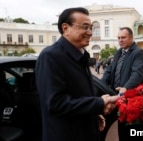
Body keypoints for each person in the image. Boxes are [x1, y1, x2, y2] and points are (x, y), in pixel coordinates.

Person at [35, 7, 119, 141]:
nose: (90, 32)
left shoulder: (80, 55)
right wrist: (99, 103)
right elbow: (56, 103)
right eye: (85, 27)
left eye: (91, 27)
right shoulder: (50, 56)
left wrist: (93, 114)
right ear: (65, 28)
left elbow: (80, 96)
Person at [101, 27, 143, 141]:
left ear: (131, 38)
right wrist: (100, 85)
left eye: (123, 37)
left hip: (130, 100)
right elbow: (109, 71)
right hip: (114, 96)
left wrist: (126, 88)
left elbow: (137, 73)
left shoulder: (139, 53)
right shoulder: (118, 53)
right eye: (118, 38)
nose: (120, 40)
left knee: (128, 130)